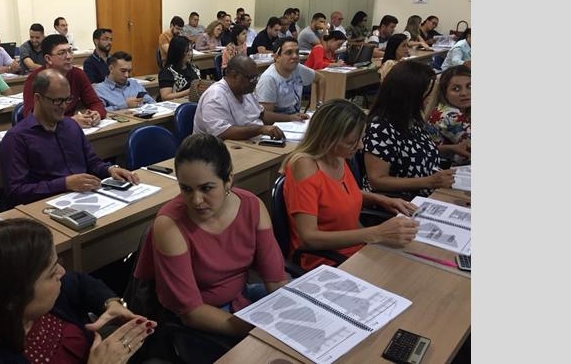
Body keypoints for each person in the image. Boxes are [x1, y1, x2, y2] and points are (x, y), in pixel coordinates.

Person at [0, 218, 155, 364]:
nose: (62, 273)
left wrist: (111, 303)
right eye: (51, 272)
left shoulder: (41, 303)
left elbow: (80, 283)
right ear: (13, 298)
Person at [133, 134, 287, 342]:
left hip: (240, 297)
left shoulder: (252, 206)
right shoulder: (170, 226)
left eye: (206, 188)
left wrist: (287, 317)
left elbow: (275, 280)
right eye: (186, 189)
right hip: (198, 320)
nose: (196, 200)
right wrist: (258, 332)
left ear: (228, 180)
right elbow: (191, 313)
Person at [280, 99, 420, 271]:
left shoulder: (337, 156)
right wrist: (376, 233)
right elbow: (309, 238)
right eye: (351, 142)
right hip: (325, 261)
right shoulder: (305, 166)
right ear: (328, 139)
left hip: (356, 249)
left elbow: (337, 195)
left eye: (361, 138)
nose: (360, 146)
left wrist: (382, 199)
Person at [0, 69, 139, 210]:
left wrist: (110, 169)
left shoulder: (71, 126)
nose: (64, 106)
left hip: (82, 198)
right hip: (44, 207)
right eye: (57, 101)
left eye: (67, 99)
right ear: (37, 99)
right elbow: (16, 192)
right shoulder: (16, 138)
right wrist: (64, 184)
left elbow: (93, 162)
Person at [363, 60, 456, 200]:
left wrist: (451, 149)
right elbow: (377, 180)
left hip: (425, 194)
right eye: (427, 94)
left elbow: (415, 151)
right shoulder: (380, 128)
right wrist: (429, 181)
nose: (430, 99)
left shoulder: (412, 119)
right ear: (411, 95)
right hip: (397, 202)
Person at [193, 56, 287, 141]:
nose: (255, 82)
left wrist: (291, 118)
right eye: (251, 78)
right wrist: (261, 129)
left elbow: (261, 115)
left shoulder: (245, 91)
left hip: (247, 142)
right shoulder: (215, 96)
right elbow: (222, 133)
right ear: (235, 76)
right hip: (215, 149)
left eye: (256, 77)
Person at [21, 34, 106, 127]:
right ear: (48, 59)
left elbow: (95, 102)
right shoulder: (35, 79)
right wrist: (70, 121)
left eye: (70, 51)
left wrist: (96, 113)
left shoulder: (77, 74)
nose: (69, 56)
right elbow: (31, 118)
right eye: (62, 53)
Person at [257, 37, 325, 116]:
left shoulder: (297, 68)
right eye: (289, 53)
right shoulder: (268, 79)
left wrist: (319, 106)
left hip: (295, 120)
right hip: (279, 123)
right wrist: (291, 118)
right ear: (277, 57)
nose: (295, 56)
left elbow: (321, 79)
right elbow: (266, 116)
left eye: (297, 52)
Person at [427, 65, 471, 167]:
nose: (464, 93)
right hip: (448, 172)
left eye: (469, 86)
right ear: (444, 93)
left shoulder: (453, 107)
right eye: (456, 89)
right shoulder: (449, 116)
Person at [158, 35, 201, 101]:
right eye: (187, 51)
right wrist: (188, 91)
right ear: (178, 52)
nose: (190, 54)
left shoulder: (194, 68)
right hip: (179, 103)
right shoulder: (167, 72)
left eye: (190, 50)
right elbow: (165, 97)